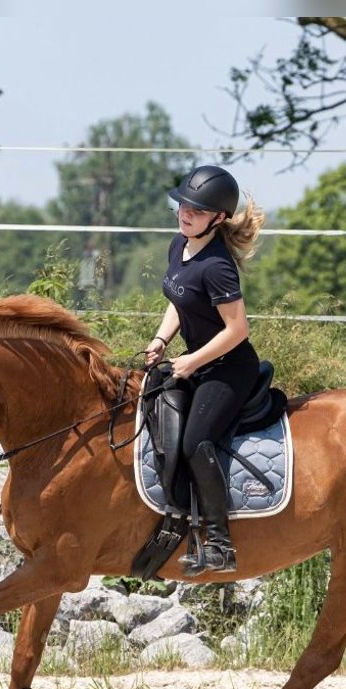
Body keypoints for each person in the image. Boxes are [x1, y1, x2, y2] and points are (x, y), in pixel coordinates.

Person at [144, 165, 264, 576]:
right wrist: (161, 340)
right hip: (196, 360)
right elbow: (180, 300)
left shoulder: (217, 266)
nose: (185, 213)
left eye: (196, 210)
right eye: (182, 205)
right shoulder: (179, 246)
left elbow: (238, 329)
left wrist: (193, 360)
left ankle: (219, 542)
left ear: (219, 218)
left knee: (197, 442)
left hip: (229, 368)